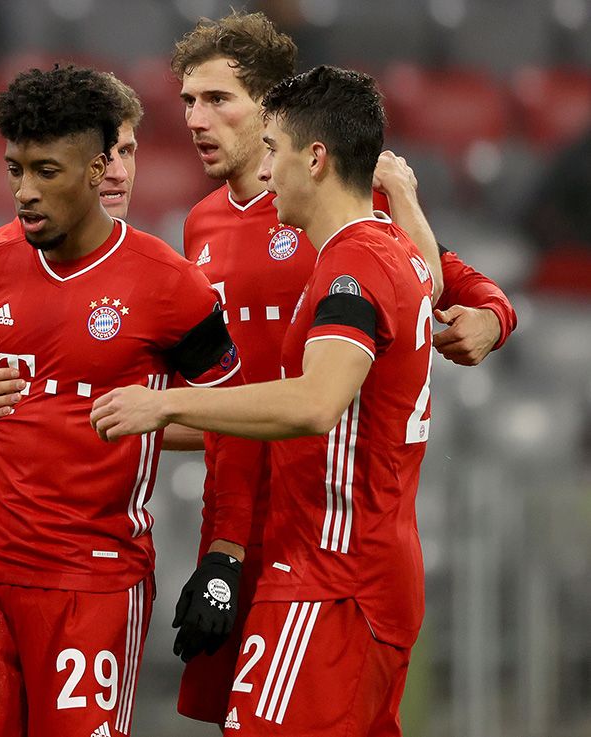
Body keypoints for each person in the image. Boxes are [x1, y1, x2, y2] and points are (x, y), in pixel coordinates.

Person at [0, 64, 245, 737]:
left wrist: (224, 554)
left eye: (45, 170)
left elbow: (235, 419)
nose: (24, 192)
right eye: (15, 170)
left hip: (89, 586)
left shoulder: (172, 286)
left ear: (99, 169)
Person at [165, 11, 519, 728]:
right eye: (187, 102)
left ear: (273, 112)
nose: (197, 119)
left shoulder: (346, 212)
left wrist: (492, 315)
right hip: (243, 521)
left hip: (328, 533)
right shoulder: (199, 224)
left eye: (217, 100)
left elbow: (444, 279)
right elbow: (220, 390)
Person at [91, 64, 436, 736]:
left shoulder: (351, 265)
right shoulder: (396, 248)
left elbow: (314, 402)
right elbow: (432, 284)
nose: (266, 172)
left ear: (315, 158)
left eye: (275, 151)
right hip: (367, 568)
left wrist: (165, 406)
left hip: (330, 575)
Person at [0, 71, 143, 601]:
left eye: (126, 152)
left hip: (94, 563)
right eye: (104, 156)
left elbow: (200, 414)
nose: (115, 173)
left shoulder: (162, 280)